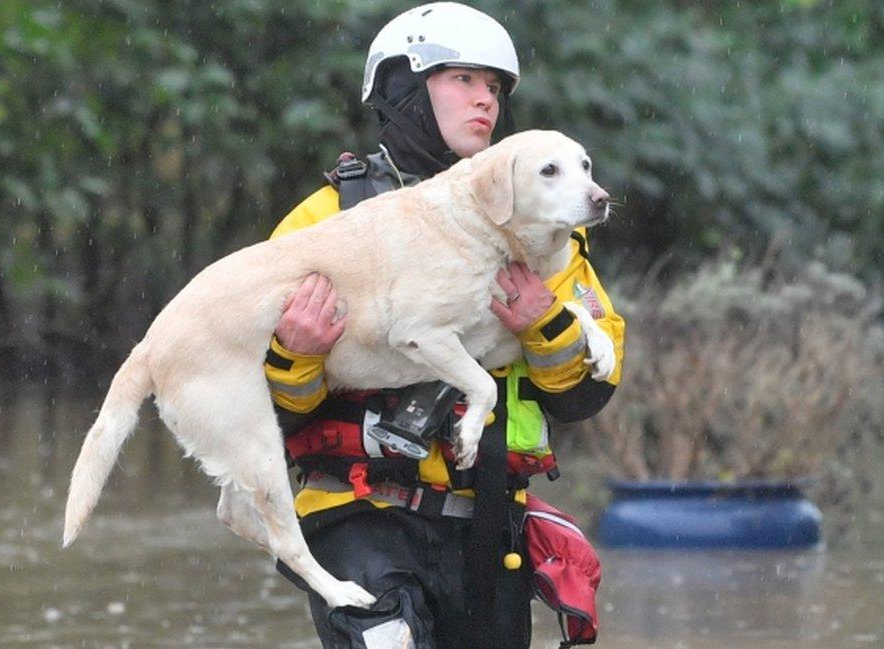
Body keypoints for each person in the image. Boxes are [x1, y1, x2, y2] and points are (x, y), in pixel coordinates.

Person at [264, 3, 625, 648]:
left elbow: (587, 395)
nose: (484, 100)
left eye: (493, 87)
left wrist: (545, 324)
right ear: (402, 91)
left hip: (487, 528)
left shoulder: (544, 229)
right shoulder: (325, 220)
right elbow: (262, 410)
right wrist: (297, 353)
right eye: (462, 79)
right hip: (357, 515)